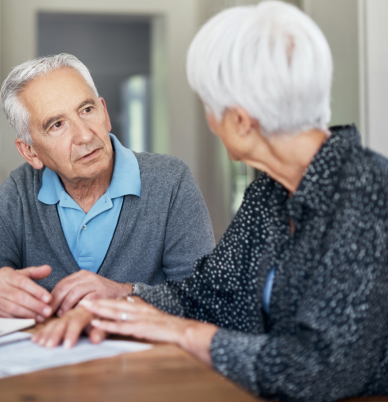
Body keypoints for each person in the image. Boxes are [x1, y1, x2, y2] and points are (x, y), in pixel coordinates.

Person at [35, 2, 388, 401]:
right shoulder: (269, 193)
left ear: (240, 121)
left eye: (209, 105)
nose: (208, 120)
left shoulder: (368, 191)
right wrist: (120, 306)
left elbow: (320, 369)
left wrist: (182, 332)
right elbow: (207, 295)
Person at [0, 54, 215, 328]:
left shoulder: (171, 181)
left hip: (145, 371)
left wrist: (127, 295)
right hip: (51, 367)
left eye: (87, 110)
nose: (85, 135)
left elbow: (209, 299)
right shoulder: (18, 194)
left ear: (105, 113)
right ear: (30, 152)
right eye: (57, 125)